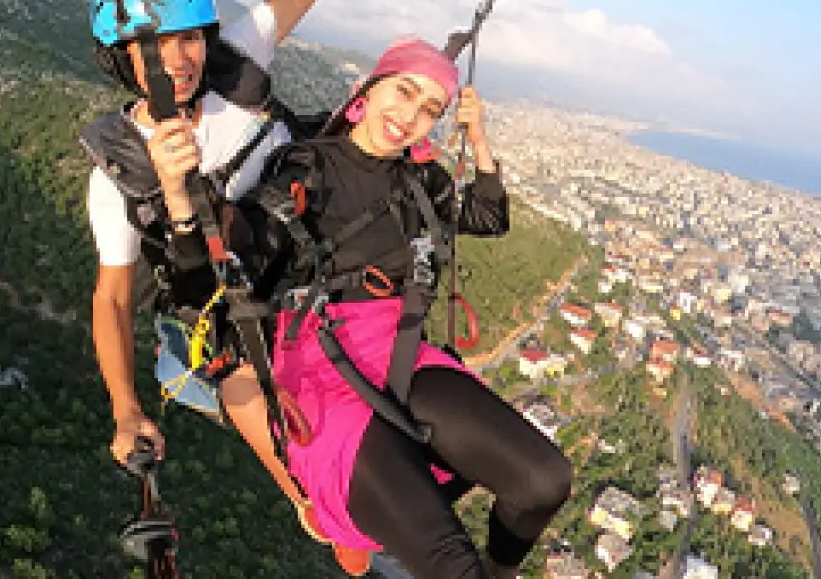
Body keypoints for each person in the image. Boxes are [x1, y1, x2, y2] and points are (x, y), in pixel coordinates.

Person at [154, 36, 574, 578]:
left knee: (545, 481)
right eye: (403, 91)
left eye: (430, 110)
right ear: (369, 89)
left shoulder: (421, 181)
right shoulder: (304, 170)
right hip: (318, 362)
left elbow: (489, 217)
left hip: (400, 350)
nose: (410, 117)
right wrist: (177, 197)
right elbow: (211, 282)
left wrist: (477, 136)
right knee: (449, 563)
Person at [84, 0, 373, 575]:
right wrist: (125, 410)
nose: (176, 59)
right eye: (151, 46)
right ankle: (307, 494)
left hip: (307, 253)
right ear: (123, 59)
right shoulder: (121, 170)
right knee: (241, 370)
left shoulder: (228, 68)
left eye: (188, 38)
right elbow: (114, 300)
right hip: (232, 307)